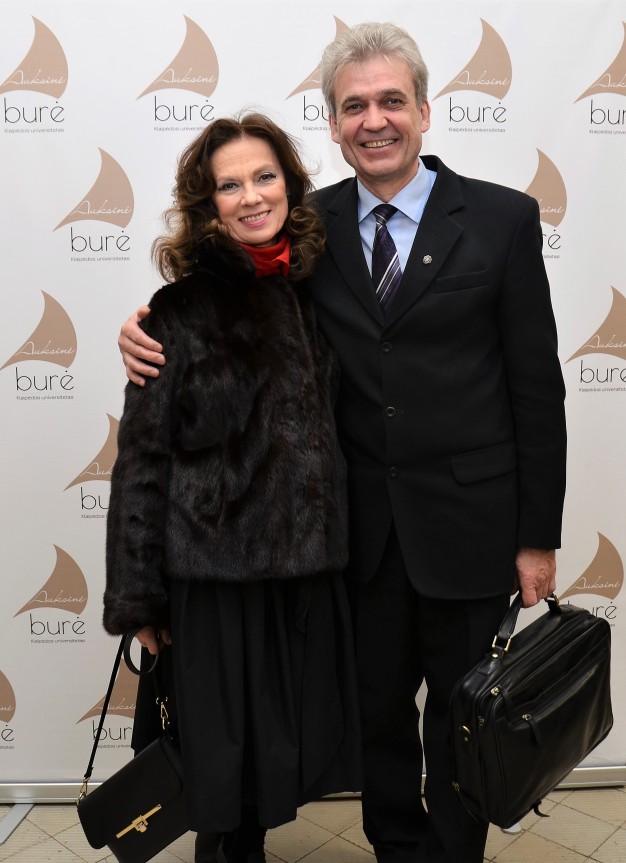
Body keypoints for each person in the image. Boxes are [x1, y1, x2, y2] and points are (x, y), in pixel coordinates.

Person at [118, 22, 567, 863]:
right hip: (356, 536)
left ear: (424, 110)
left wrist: (537, 535)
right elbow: (231, 298)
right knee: (377, 716)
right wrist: (150, 327)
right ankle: (397, 846)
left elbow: (537, 389)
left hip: (472, 525)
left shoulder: (502, 219)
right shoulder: (306, 225)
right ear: (331, 122)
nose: (374, 120)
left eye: (392, 100)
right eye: (354, 106)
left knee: (464, 721)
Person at [103, 113, 361, 863]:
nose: (251, 196)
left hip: (304, 580)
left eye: (264, 176)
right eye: (229, 185)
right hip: (215, 586)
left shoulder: (317, 294)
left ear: (290, 185)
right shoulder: (178, 312)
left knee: (271, 767)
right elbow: (142, 461)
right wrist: (139, 599)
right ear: (206, 203)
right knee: (217, 773)